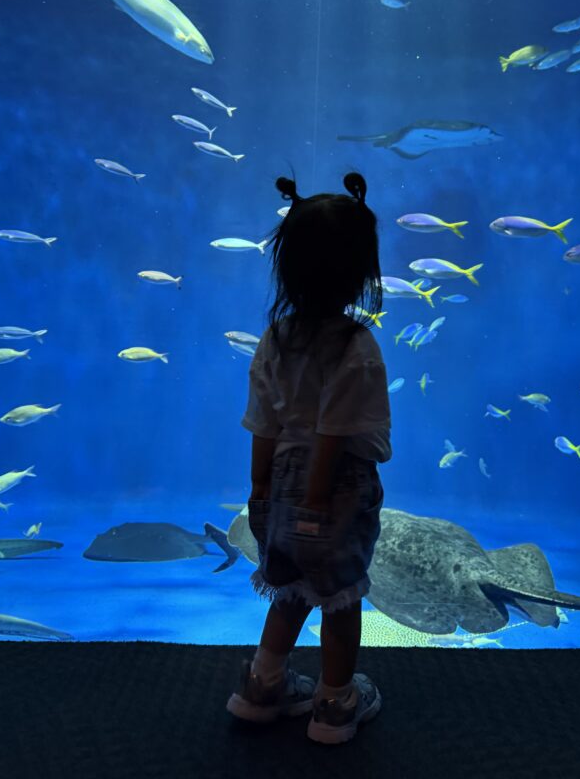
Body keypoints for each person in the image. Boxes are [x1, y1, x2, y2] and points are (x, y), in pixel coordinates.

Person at [226, 171, 392, 745]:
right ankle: (334, 704)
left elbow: (262, 422)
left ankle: (262, 685)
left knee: (290, 588)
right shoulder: (357, 345)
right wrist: (317, 500)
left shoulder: (275, 338)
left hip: (278, 481)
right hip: (335, 488)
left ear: (287, 267)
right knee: (340, 600)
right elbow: (335, 430)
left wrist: (260, 489)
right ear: (361, 274)